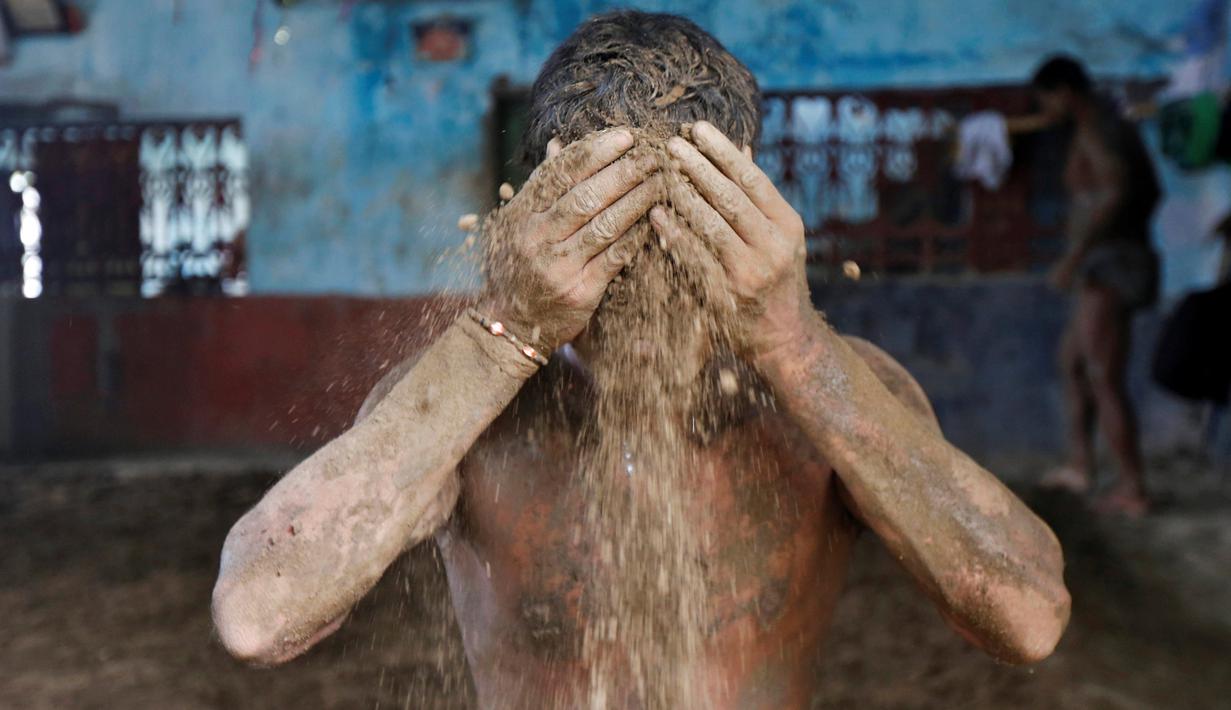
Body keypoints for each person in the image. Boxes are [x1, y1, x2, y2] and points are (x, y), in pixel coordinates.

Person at [212, 12, 1070, 708]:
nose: (643, 280)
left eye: (679, 229)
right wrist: (503, 332)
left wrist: (792, 343)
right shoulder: (468, 402)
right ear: (542, 213)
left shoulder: (833, 390)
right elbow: (258, 614)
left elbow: (1025, 617)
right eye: (607, 236)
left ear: (743, 208)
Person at [1032, 55, 1162, 517]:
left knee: (1104, 376)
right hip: (1106, 263)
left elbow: (1116, 191)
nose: (1043, 108)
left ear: (1064, 91)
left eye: (1045, 97)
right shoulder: (1103, 127)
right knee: (1072, 364)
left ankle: (1133, 489)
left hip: (1110, 266)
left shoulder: (1099, 128)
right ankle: (1082, 466)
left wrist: (1075, 256)